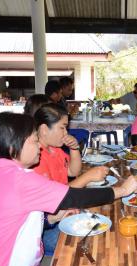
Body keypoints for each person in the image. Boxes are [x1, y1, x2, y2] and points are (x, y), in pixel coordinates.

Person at [0, 112, 137, 266]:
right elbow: (74, 197)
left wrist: (51, 219)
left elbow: (18, 219)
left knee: (84, 261)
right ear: (12, 148)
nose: (39, 148)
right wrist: (122, 190)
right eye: (34, 141)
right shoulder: (21, 180)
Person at [33, 103, 111, 256]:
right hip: (45, 231)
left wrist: (75, 149)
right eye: (62, 127)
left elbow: (73, 171)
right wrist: (87, 177)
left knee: (102, 216)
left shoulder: (55, 149)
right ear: (43, 129)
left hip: (65, 211)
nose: (66, 132)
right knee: (94, 238)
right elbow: (59, 197)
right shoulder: (35, 158)